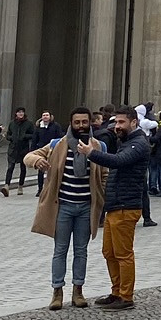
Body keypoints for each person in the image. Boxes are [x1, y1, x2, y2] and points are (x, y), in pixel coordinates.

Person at [26, 108, 105, 309]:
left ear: (90, 123)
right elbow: (29, 156)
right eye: (77, 122)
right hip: (63, 207)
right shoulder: (57, 145)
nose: (81, 126)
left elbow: (105, 173)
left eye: (84, 122)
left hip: (86, 207)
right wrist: (38, 161)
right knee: (60, 250)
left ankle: (78, 290)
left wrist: (102, 194)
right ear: (71, 124)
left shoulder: (97, 146)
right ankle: (57, 291)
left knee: (81, 251)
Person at [84, 106, 151, 309]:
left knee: (123, 253)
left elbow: (119, 162)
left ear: (134, 122)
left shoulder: (139, 143)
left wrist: (91, 153)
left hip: (126, 204)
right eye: (116, 122)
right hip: (115, 204)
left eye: (122, 122)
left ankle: (126, 295)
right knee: (109, 252)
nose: (117, 126)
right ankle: (116, 291)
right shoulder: (127, 142)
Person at [4, 107, 36, 196]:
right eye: (19, 112)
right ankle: (7, 185)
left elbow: (33, 134)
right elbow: (8, 134)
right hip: (13, 148)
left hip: (23, 148)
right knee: (10, 167)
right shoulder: (12, 123)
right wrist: (11, 138)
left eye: (22, 112)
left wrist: (24, 136)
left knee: (23, 168)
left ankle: (20, 186)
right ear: (16, 114)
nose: (20, 114)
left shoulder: (28, 123)